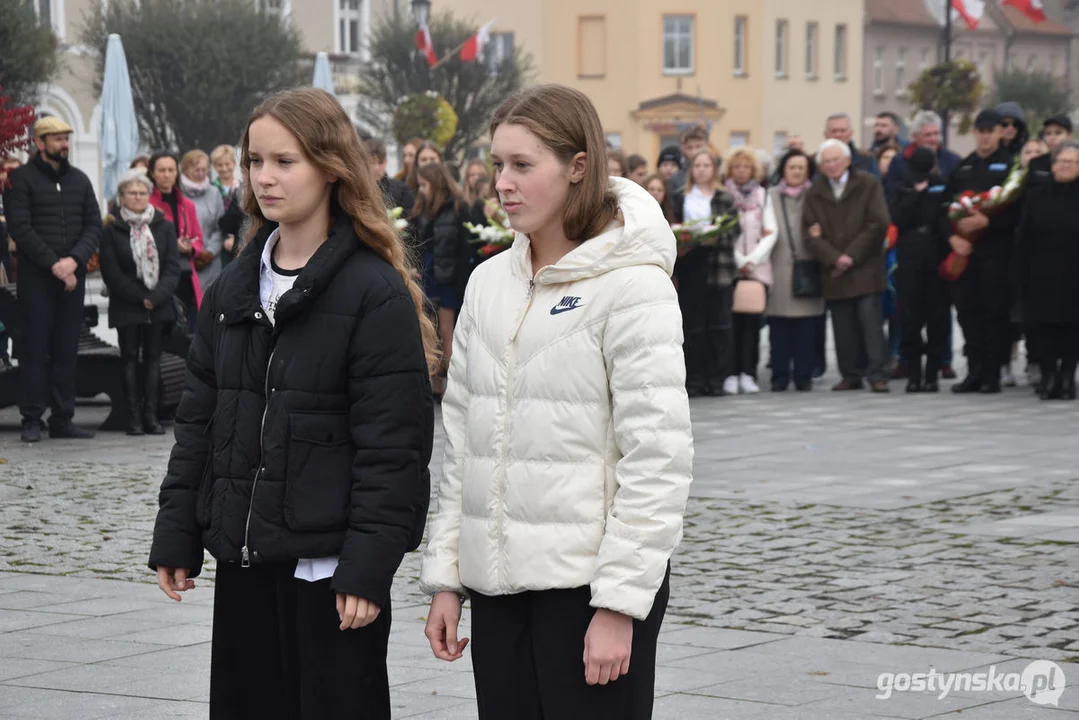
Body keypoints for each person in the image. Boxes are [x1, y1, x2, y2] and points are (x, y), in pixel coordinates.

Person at [149, 87, 436, 719]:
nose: (265, 177)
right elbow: (199, 422)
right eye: (256, 161)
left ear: (330, 166)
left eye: (285, 161)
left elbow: (395, 447)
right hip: (248, 561)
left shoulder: (373, 292)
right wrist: (177, 532)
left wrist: (368, 565)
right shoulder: (230, 288)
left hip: (331, 575)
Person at [419, 83, 692, 720]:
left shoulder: (633, 286)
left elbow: (657, 458)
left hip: (587, 588)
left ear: (577, 167)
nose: (503, 184)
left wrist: (620, 605)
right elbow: (463, 448)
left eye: (522, 165)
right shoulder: (487, 283)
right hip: (498, 588)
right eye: (496, 166)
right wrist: (447, 580)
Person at [2, 116, 102, 442]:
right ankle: (32, 418)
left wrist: (74, 261)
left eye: (66, 139)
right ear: (40, 142)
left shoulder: (80, 180)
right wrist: (55, 265)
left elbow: (93, 224)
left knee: (65, 349)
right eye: (57, 139)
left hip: (72, 278)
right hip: (37, 279)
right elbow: (21, 228)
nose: (64, 145)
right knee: (35, 348)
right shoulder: (20, 179)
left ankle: (63, 417)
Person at [98, 170, 182, 434]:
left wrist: (156, 297)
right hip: (128, 305)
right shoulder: (112, 228)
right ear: (121, 197)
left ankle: (151, 415)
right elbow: (110, 271)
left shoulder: (163, 225)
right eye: (132, 193)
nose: (138, 197)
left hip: (159, 304)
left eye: (143, 192)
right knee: (130, 358)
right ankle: (133, 417)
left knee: (154, 359)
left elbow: (172, 266)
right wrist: (140, 297)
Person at [803, 139, 891, 393]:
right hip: (834, 271)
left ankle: (878, 374)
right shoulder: (815, 192)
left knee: (871, 323)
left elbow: (878, 222)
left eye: (836, 160)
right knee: (843, 327)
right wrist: (834, 258)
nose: (831, 165)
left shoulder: (868, 184)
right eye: (826, 161)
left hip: (865, 267)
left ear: (847, 161)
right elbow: (810, 233)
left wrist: (850, 256)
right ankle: (850, 374)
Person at [946, 109, 1023, 394]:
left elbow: (1017, 211)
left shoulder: (1009, 167)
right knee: (968, 312)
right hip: (965, 252)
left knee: (994, 313)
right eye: (981, 130)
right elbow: (944, 207)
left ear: (1001, 133)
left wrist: (990, 221)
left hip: (995, 251)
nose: (985, 136)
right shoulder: (963, 167)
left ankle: (992, 373)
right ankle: (974, 370)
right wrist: (951, 239)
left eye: (991, 130)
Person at [670, 150, 740, 396]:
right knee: (693, 325)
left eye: (706, 165)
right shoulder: (681, 198)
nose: (701, 169)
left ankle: (718, 378)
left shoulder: (724, 197)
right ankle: (696, 379)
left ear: (714, 169)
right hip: (690, 264)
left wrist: (715, 234)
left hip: (718, 263)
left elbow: (734, 231)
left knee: (720, 323)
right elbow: (673, 226)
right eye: (696, 165)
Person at [1013, 139, 1079, 400]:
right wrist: (1018, 273)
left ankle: (1067, 376)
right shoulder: (1035, 196)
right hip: (1041, 272)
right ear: (1053, 165)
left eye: (1073, 163)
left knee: (1073, 327)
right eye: (1062, 161)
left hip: (1075, 274)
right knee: (1043, 327)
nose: (1066, 167)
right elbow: (1023, 237)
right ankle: (1049, 375)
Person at [889, 148, 950, 393]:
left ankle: (932, 373)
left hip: (935, 257)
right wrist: (915, 194)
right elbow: (899, 219)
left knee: (938, 318)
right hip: (910, 258)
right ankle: (913, 372)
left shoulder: (942, 185)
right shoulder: (902, 187)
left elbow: (944, 218)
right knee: (910, 319)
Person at [766, 149, 823, 391]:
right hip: (778, 265)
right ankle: (779, 375)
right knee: (778, 326)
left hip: (808, 266)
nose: (797, 171)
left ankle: (803, 375)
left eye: (802, 167)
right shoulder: (770, 196)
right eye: (792, 167)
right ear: (783, 170)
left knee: (806, 327)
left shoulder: (817, 195)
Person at [722, 147, 776, 395]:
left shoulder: (762, 195)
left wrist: (752, 259)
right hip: (730, 267)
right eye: (736, 166)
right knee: (731, 323)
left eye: (746, 166)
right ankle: (731, 372)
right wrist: (738, 259)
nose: (741, 171)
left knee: (752, 324)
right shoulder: (724, 195)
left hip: (756, 268)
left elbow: (771, 231)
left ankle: (749, 373)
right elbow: (724, 231)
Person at [412, 162, 472, 377]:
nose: (421, 190)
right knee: (431, 330)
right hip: (429, 272)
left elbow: (464, 247)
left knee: (447, 332)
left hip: (448, 276)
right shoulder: (425, 209)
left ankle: (454, 378)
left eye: (424, 185)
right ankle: (436, 379)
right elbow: (420, 241)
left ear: (436, 184)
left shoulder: (458, 207)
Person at [148, 151, 205, 328]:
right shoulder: (147, 203)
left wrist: (190, 247)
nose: (167, 175)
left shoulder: (186, 204)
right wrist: (173, 246)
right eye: (162, 170)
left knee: (191, 328)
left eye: (171, 170)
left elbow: (199, 240)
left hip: (185, 273)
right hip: (158, 275)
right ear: (152, 173)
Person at [884, 111, 961, 200]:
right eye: (927, 135)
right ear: (915, 136)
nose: (933, 139)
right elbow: (892, 194)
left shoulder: (952, 160)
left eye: (936, 133)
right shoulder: (900, 162)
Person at [180, 150, 227, 292]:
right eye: (196, 170)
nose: (201, 173)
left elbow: (220, 227)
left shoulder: (214, 192)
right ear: (186, 170)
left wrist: (210, 252)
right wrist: (194, 251)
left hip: (211, 261)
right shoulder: (178, 193)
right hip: (186, 260)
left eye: (204, 169)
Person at [364, 137, 415, 213]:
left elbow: (411, 220)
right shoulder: (355, 191)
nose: (376, 168)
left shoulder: (402, 190)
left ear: (386, 162)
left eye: (380, 162)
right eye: (371, 163)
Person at [667, 124, 709, 194]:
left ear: (707, 146)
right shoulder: (676, 180)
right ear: (682, 149)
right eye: (689, 147)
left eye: (699, 146)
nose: (694, 152)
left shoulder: (719, 174)